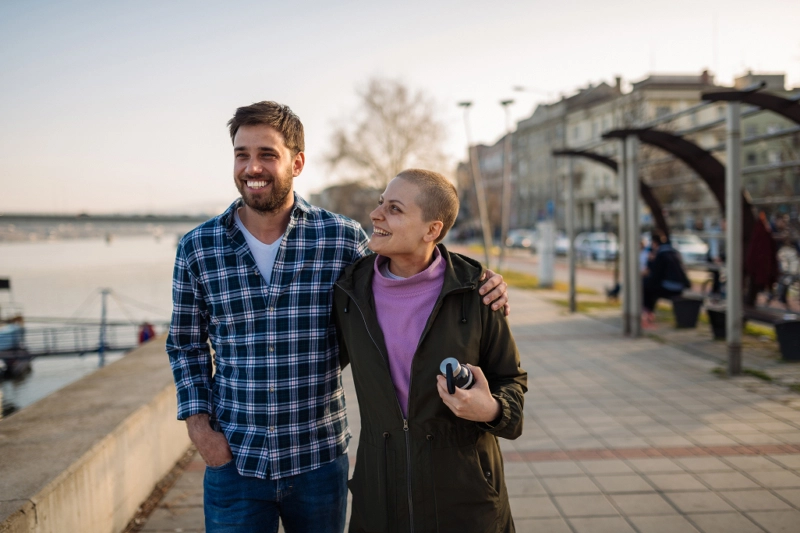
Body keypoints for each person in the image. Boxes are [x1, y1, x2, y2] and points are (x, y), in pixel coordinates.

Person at [165, 102, 509, 533]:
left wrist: (478, 281)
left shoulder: (341, 238)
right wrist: (201, 431)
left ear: (297, 163)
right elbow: (185, 345)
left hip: (319, 463)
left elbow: (406, 271)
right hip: (235, 461)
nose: (252, 167)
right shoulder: (198, 247)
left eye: (267, 154)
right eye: (242, 154)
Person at [333, 169, 527, 533]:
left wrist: (491, 408)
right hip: (380, 500)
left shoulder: (476, 291)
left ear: (431, 230)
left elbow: (512, 381)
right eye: (380, 203)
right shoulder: (349, 291)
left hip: (465, 500)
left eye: (394, 209)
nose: (375, 215)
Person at [642, 234, 691, 324]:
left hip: (671, 287)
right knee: (649, 288)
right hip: (681, 286)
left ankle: (648, 314)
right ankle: (649, 313)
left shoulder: (661, 254)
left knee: (646, 287)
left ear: (655, 243)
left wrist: (650, 262)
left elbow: (656, 276)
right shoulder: (673, 251)